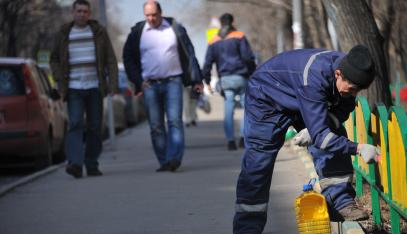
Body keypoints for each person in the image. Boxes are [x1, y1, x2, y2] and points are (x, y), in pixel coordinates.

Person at [233, 45, 380, 234]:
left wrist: (323, 125)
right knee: (259, 160)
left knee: (334, 138)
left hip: (302, 96)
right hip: (267, 99)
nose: (353, 94)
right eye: (352, 88)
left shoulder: (349, 70)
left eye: (357, 90)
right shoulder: (314, 76)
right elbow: (321, 138)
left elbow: (340, 112)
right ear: (338, 74)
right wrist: (358, 148)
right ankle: (247, 230)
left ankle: (342, 202)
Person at [123, 1, 203, 172]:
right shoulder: (138, 32)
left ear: (160, 13)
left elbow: (189, 53)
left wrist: (196, 79)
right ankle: (164, 160)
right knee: (156, 126)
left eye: (154, 15)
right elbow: (128, 57)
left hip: (173, 81)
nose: (151, 18)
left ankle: (174, 158)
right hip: (150, 84)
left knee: (174, 121)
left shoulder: (174, 28)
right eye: (147, 15)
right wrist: (138, 80)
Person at [50, 0, 118, 178]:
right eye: (79, 11)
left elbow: (110, 59)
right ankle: (75, 164)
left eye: (85, 12)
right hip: (73, 88)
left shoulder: (99, 32)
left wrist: (112, 85)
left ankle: (92, 164)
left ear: (89, 14)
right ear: (73, 13)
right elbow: (54, 59)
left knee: (95, 127)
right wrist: (59, 78)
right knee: (75, 125)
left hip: (95, 86)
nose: (82, 14)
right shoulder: (64, 33)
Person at [202, 13, 256, 151]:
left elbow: (208, 62)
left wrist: (207, 81)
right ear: (233, 22)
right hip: (241, 78)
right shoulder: (239, 36)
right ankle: (244, 139)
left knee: (228, 110)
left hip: (225, 80)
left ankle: (230, 141)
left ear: (220, 23)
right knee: (246, 109)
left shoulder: (214, 40)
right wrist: (253, 73)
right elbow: (248, 57)